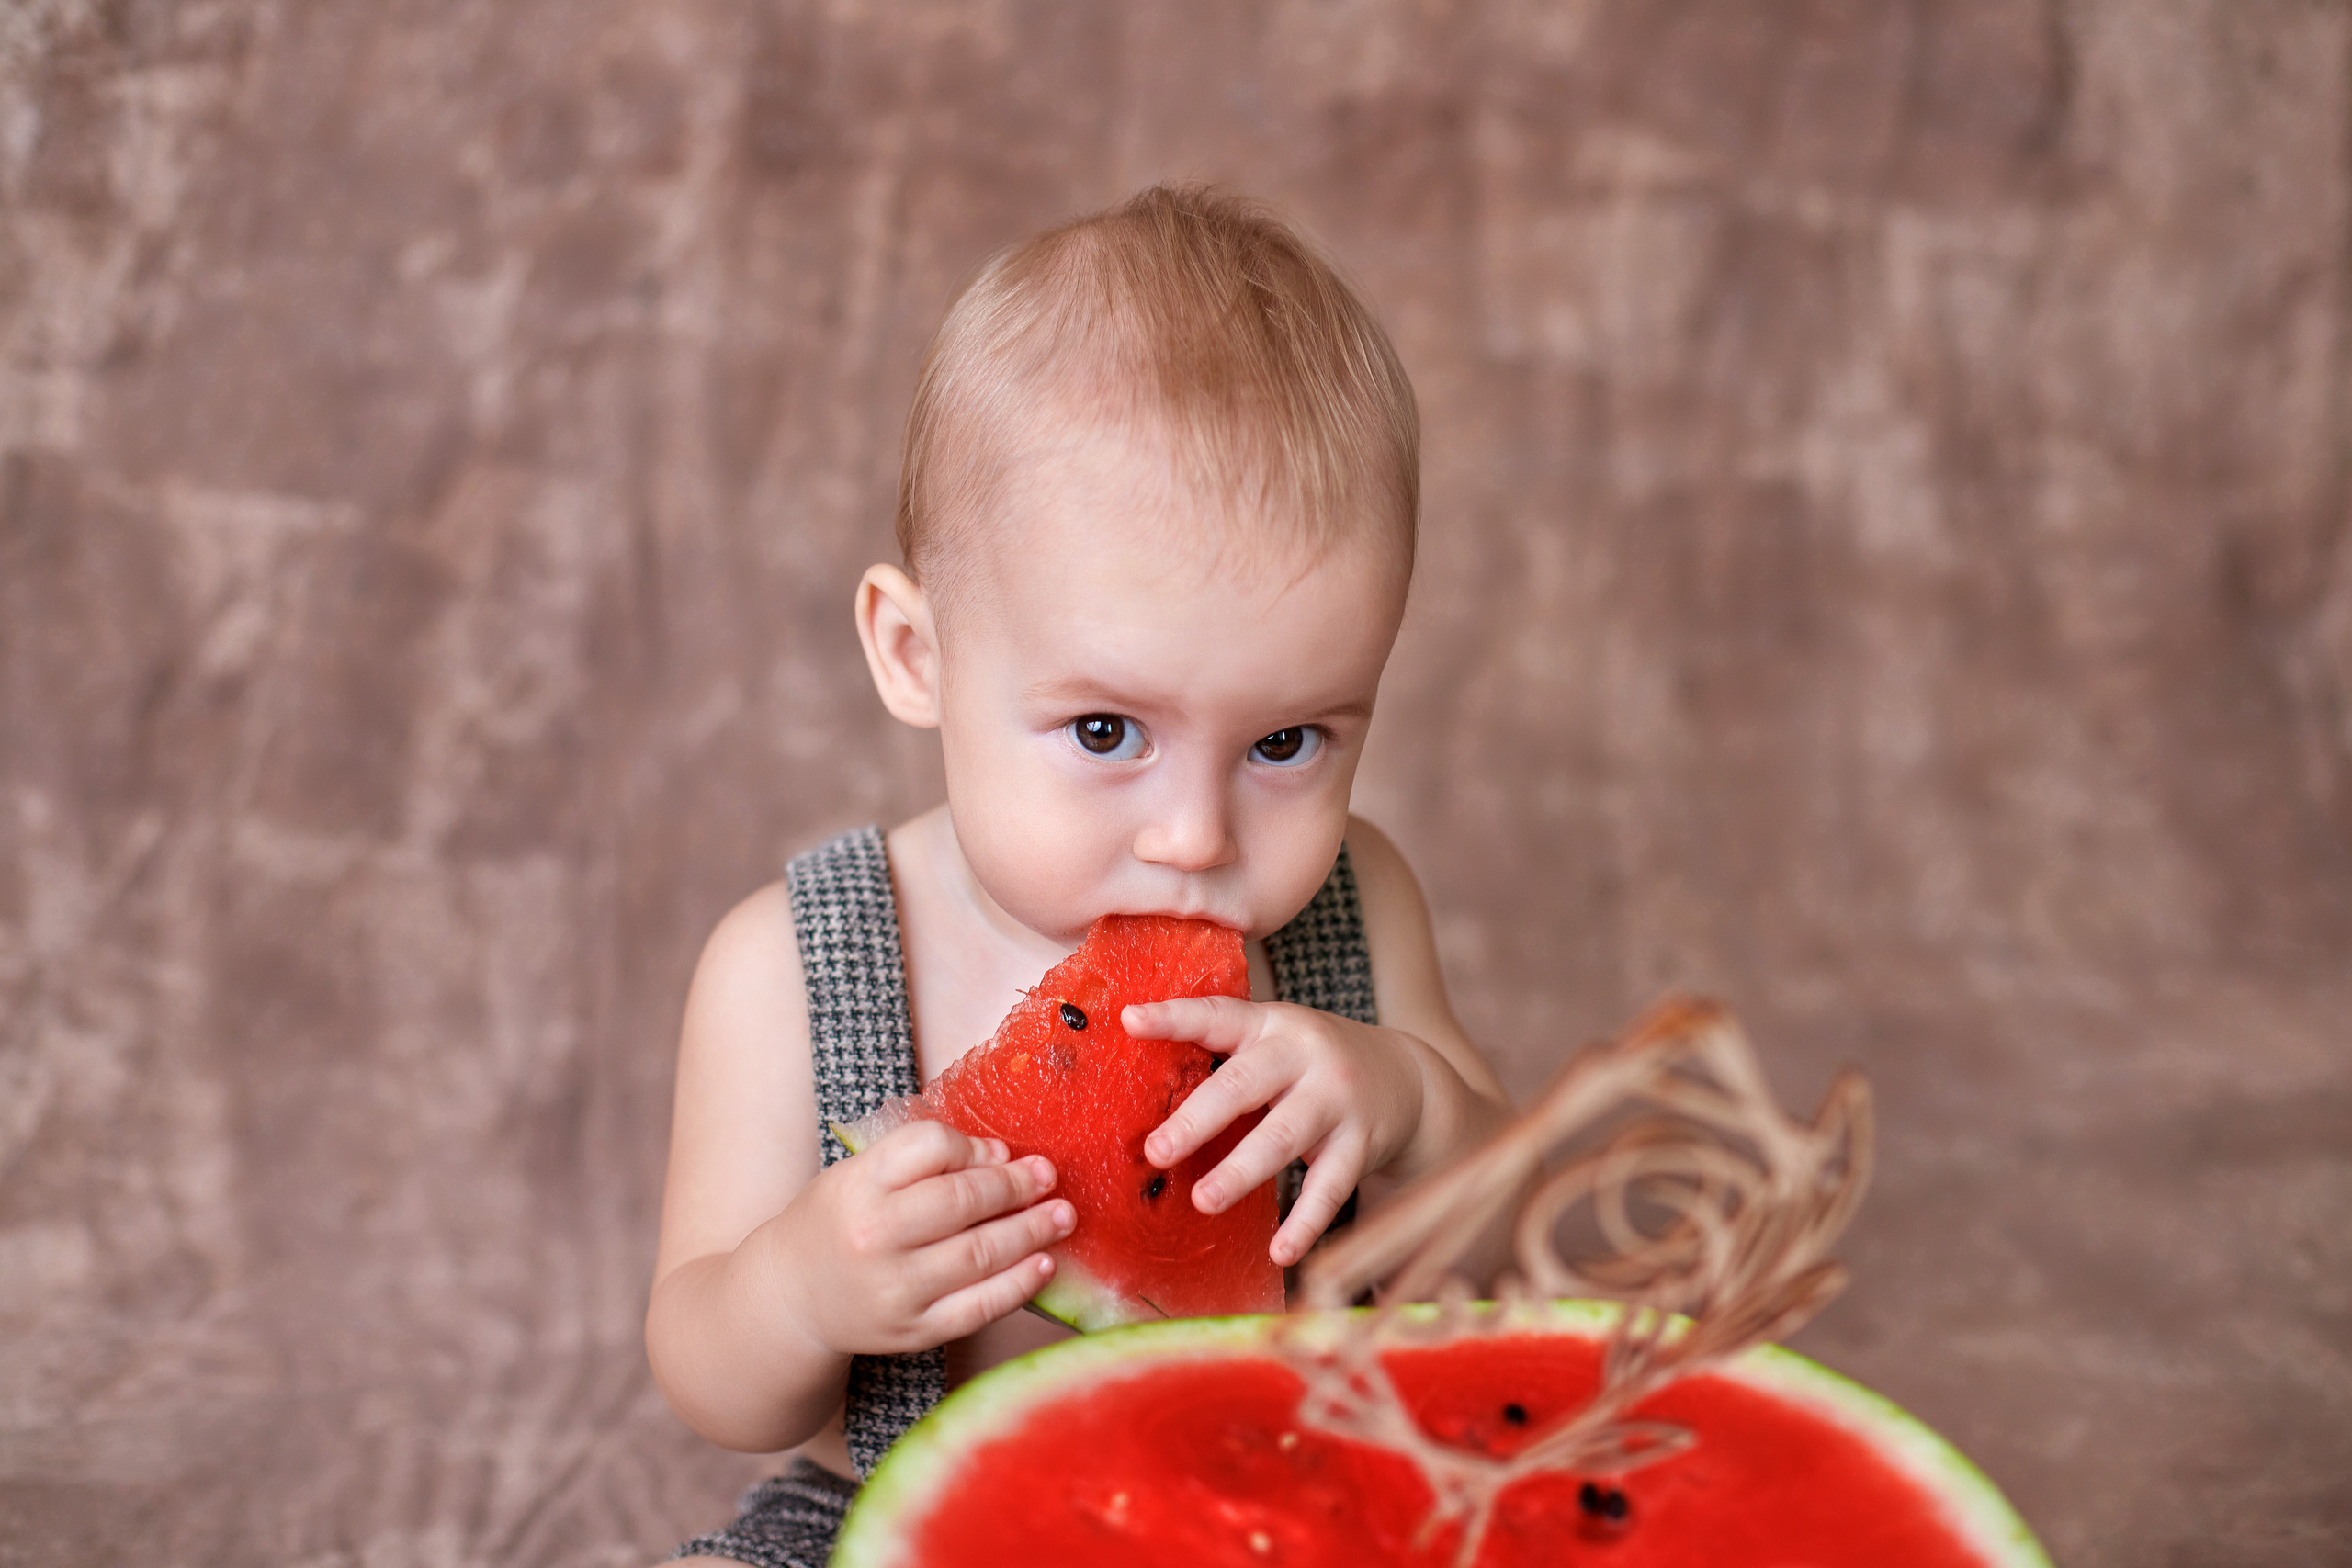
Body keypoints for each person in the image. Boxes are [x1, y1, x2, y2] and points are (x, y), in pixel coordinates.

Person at [650, 184, 1513, 1567]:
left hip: (1276, 1507)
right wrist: (803, 1291)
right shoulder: (784, 969)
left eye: (1286, 741)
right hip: (892, 1522)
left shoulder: (1364, 903)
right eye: (1107, 733)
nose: (1196, 837)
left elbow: (1494, 1255)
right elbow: (704, 1370)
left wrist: (1411, 1113)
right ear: (916, 655)